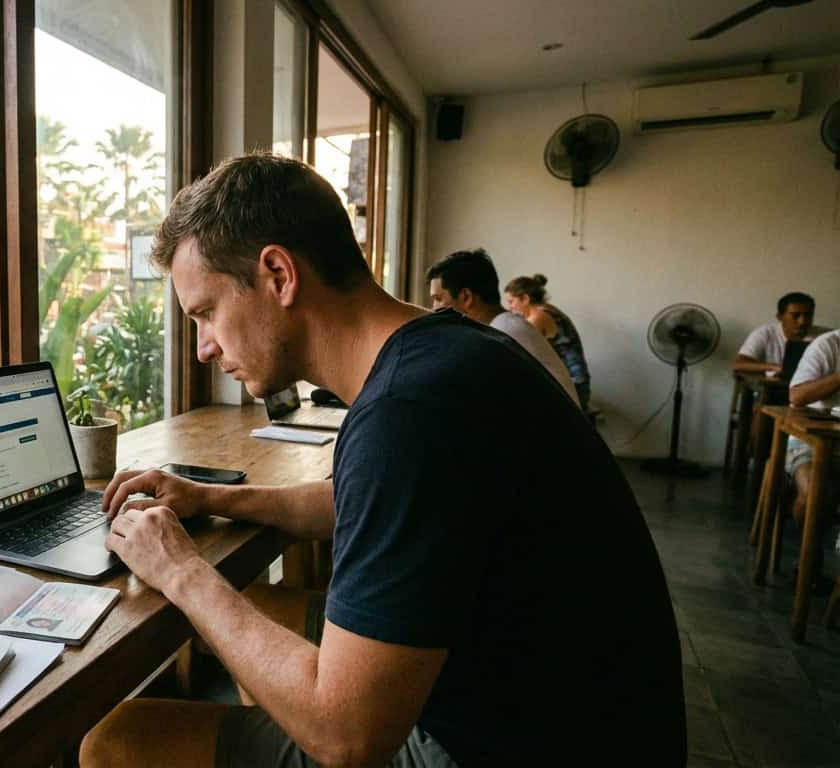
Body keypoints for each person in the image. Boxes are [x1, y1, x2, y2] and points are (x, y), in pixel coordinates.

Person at [80, 154, 683, 767]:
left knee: (119, 742)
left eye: (206, 314)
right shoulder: (447, 353)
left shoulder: (407, 412)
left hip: (503, 746)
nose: (204, 348)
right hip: (567, 708)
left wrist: (181, 570)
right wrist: (212, 496)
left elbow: (348, 737)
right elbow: (365, 502)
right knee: (252, 609)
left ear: (279, 275)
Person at [425, 249, 580, 407]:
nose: (434, 308)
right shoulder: (504, 327)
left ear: (466, 297)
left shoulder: (502, 335)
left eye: (438, 299)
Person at [786, 328, 840, 588]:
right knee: (813, 494)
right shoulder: (829, 345)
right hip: (811, 438)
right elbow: (797, 396)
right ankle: (809, 556)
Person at [503, 273, 593, 409]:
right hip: (576, 385)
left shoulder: (538, 317)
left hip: (573, 389)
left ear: (525, 299)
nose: (509, 307)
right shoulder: (548, 309)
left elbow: (521, 350)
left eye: (511, 301)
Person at [734, 292, 828, 374]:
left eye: (808, 315)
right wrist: (774, 367)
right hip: (772, 387)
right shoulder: (764, 333)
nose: (802, 321)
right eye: (795, 315)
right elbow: (739, 364)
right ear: (779, 317)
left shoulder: (826, 336)